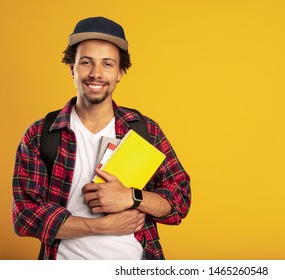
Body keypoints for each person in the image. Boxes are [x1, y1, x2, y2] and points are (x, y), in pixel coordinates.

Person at [12, 16, 191, 260]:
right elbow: (25, 216)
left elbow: (180, 199)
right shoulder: (41, 134)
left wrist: (131, 196)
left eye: (107, 64)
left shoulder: (143, 130)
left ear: (120, 72)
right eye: (86, 62)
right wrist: (101, 227)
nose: (96, 73)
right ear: (72, 68)